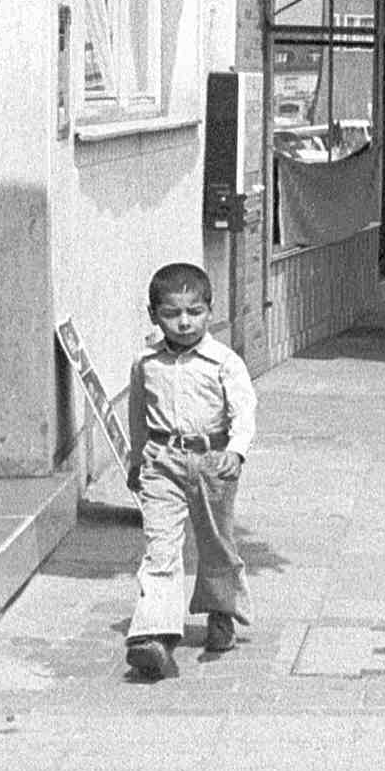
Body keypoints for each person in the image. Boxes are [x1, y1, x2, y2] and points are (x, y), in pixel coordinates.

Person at [124, 262, 256, 681]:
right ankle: (156, 636)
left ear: (209, 311)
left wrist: (235, 452)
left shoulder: (223, 362)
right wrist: (135, 460)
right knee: (161, 548)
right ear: (153, 315)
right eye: (172, 313)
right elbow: (137, 415)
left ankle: (221, 611)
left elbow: (244, 411)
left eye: (194, 312)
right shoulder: (147, 362)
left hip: (212, 461)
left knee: (215, 543)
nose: (184, 322)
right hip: (162, 461)